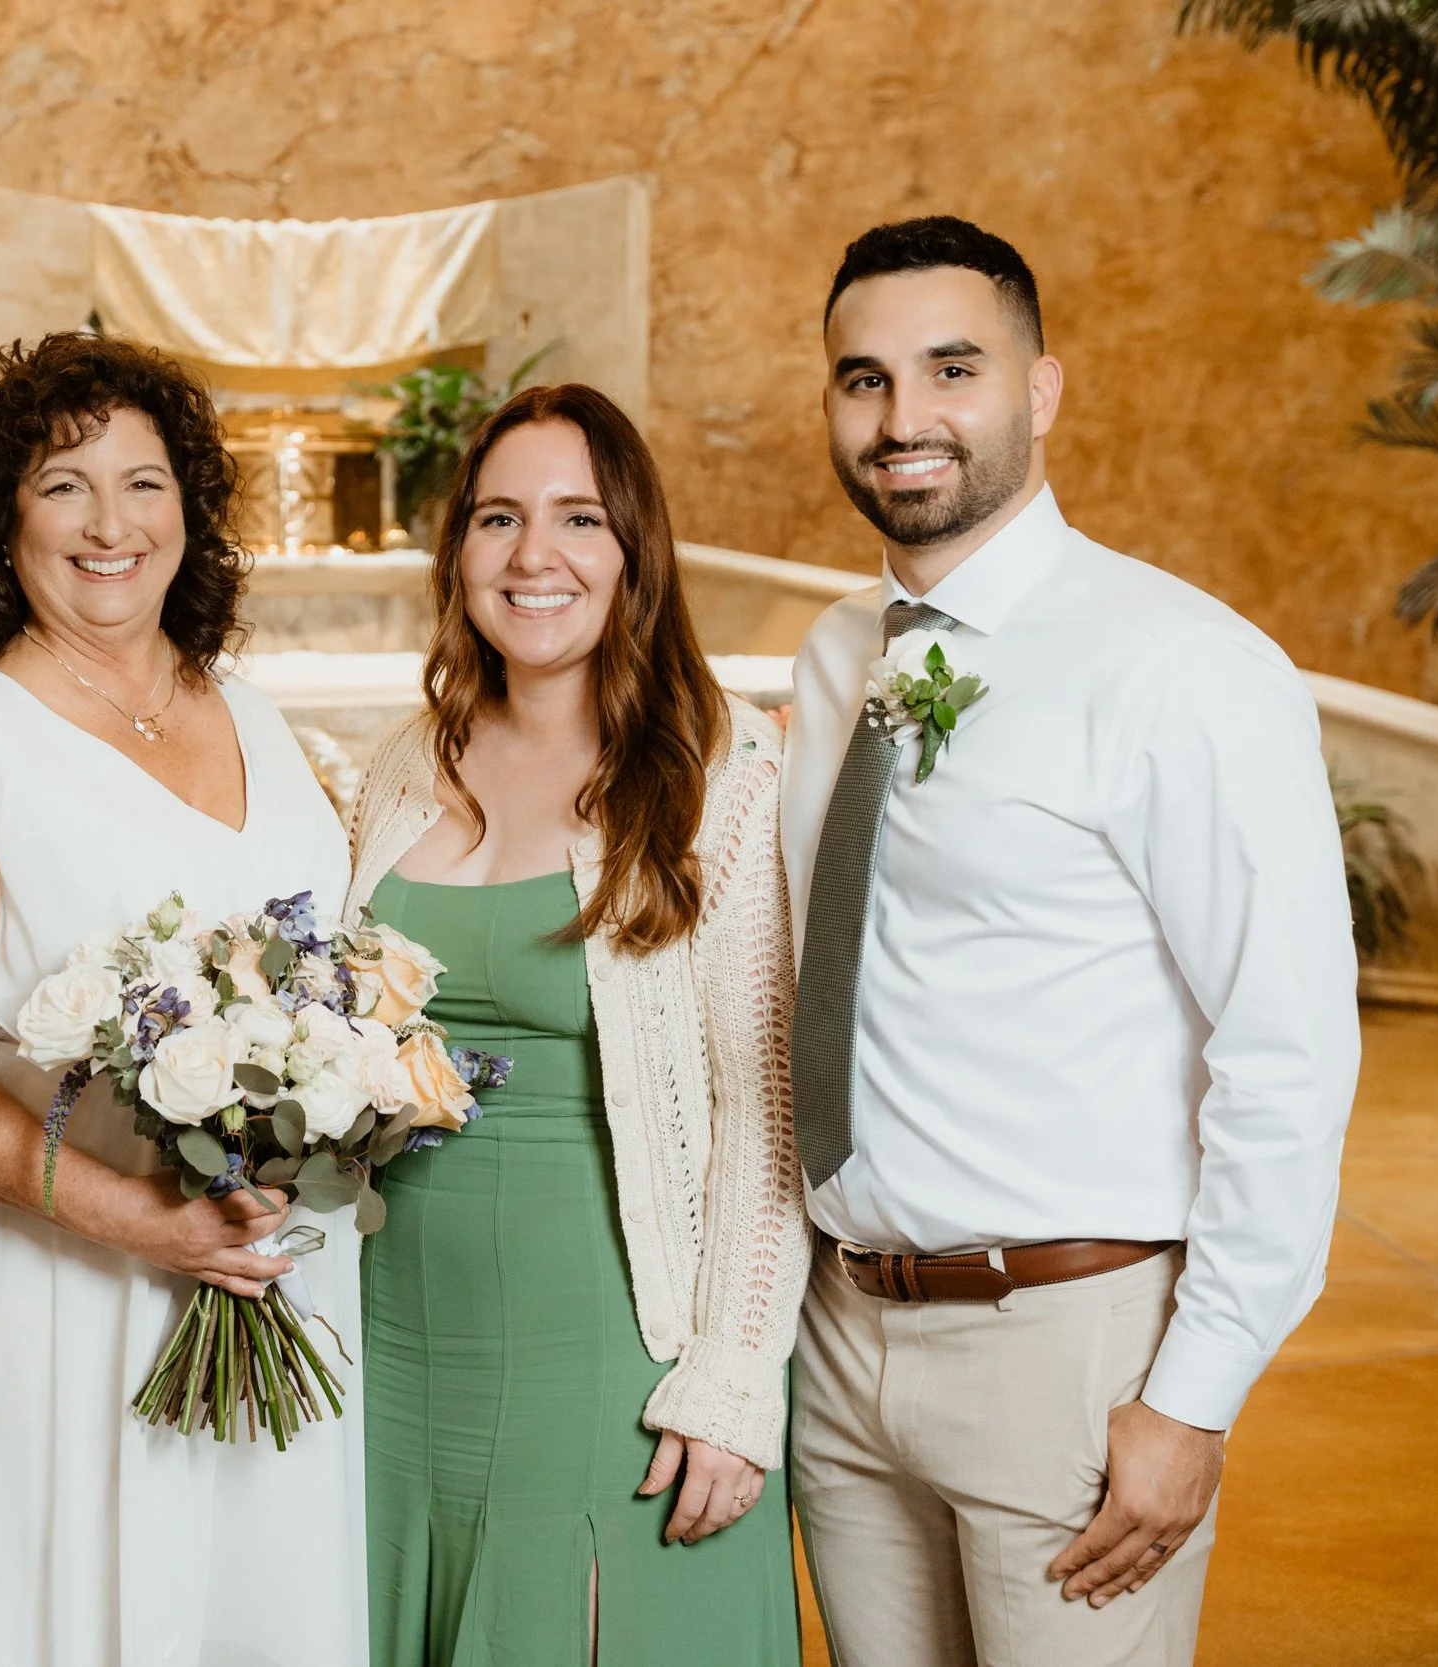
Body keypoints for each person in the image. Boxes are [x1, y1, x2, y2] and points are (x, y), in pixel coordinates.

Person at [783, 216, 1360, 1665]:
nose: (905, 417)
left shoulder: (1182, 667)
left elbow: (1288, 1050)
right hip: (843, 1336)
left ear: (1041, 392)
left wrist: (1194, 1394)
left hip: (1070, 1343)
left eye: (952, 368)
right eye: (865, 379)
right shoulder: (837, 653)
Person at [0, 332, 366, 1667]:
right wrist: (141, 1218)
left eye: (144, 483)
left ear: (190, 512)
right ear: (0, 520)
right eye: (64, 483)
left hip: (280, 1276)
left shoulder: (251, 711)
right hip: (63, 1293)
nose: (109, 523)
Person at [343, 384, 806, 1665]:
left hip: (609, 1333)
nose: (531, 555)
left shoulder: (720, 774)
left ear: (633, 552)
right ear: (457, 555)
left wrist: (728, 1377)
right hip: (392, 1334)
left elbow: (765, 1115)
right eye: (497, 517)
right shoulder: (396, 767)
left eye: (576, 518)